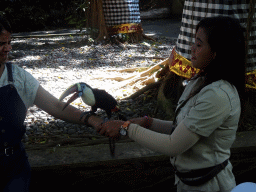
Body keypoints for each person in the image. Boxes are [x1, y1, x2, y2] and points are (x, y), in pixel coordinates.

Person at [88, 16, 245, 192]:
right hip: (189, 183)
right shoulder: (200, 82)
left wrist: (126, 127)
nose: (192, 48)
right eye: (194, 42)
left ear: (216, 53)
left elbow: (173, 145)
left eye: (199, 45)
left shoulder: (218, 95)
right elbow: (185, 128)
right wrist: (149, 122)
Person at [0, 16, 91, 192]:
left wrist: (92, 120)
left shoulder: (19, 77)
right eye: (2, 44)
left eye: (10, 42)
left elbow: (56, 106)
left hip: (13, 166)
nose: (8, 48)